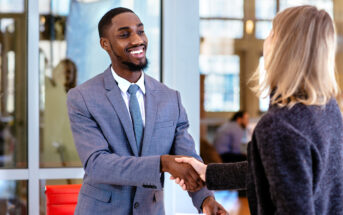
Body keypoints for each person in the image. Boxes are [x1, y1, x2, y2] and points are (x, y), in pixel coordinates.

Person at [173, 5, 343, 215]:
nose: (266, 40)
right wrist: (207, 173)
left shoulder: (279, 125)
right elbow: (274, 171)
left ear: (283, 48)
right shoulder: (328, 109)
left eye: (272, 32)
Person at [67, 7, 227, 215]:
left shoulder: (171, 99)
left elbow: (186, 158)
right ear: (105, 44)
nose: (136, 40)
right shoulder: (83, 97)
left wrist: (205, 200)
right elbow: (97, 164)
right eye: (125, 34)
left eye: (140, 31)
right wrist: (162, 163)